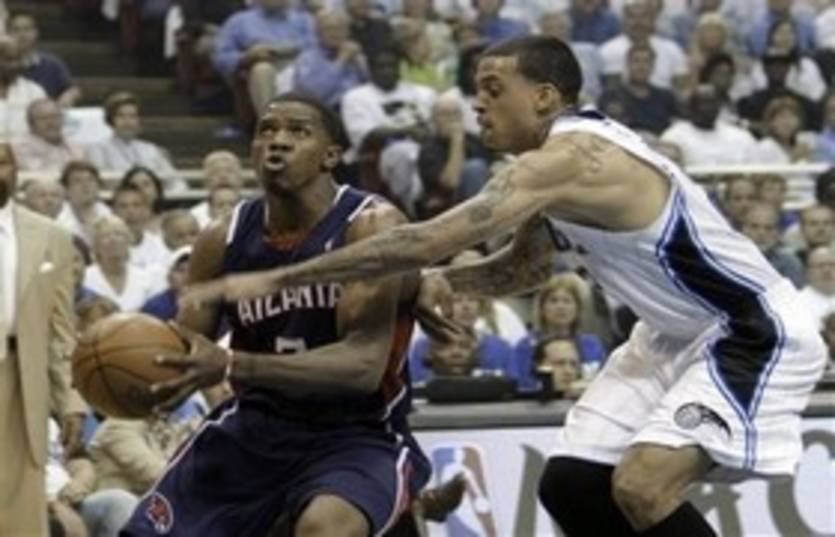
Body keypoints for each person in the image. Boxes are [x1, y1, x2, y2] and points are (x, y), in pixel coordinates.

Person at [189, 36, 827, 537]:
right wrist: (438, 282)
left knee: (642, 487)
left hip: (748, 329)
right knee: (571, 487)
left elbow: (424, 239)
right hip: (671, 335)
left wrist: (287, 273)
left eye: (493, 90)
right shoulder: (549, 171)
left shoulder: (572, 159)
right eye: (475, 90)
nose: (478, 104)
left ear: (544, 97)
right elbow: (524, 269)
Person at [119, 93, 433, 536]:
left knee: (325, 528)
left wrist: (233, 363)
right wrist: (140, 376)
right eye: (266, 130)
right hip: (254, 428)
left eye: (298, 131)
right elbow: (184, 356)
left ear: (330, 156)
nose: (278, 141)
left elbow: (362, 366)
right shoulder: (220, 238)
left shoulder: (370, 226)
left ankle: (404, 505)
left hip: (357, 433)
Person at [0, 142, 86, 535]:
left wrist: (71, 400)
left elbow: (61, 330)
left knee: (21, 510)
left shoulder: (51, 236)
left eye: (2, 162)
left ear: (16, 170)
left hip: (22, 377)